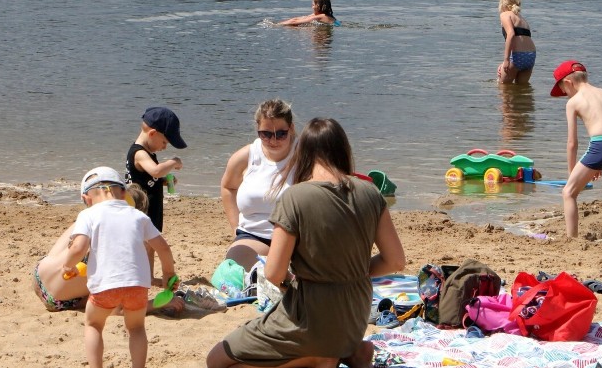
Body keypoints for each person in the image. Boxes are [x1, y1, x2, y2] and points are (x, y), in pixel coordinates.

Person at [206, 118, 406, 368]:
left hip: (310, 315)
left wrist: (288, 282)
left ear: (303, 154)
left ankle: (318, 358)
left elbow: (273, 272)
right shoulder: (370, 193)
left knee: (216, 360)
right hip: (355, 314)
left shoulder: (295, 197)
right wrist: (353, 271)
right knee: (327, 338)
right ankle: (348, 351)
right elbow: (396, 260)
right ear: (343, 150)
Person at [63, 167, 178, 368]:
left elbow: (78, 247)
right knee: (136, 328)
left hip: (105, 287)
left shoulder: (88, 214)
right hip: (137, 287)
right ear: (124, 193)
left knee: (94, 325)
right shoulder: (139, 216)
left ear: (86, 198)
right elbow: (163, 247)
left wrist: (68, 266)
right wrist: (168, 273)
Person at [32, 184, 184, 315]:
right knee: (105, 295)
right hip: (56, 301)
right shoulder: (117, 247)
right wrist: (159, 303)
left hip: (38, 276)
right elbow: (118, 311)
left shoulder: (89, 215)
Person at [551, 60, 602, 240]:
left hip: (601, 145)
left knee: (568, 192)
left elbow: (572, 142)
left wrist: (571, 174)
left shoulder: (574, 102)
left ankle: (572, 239)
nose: (564, 93)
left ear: (568, 82)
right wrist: (598, 164)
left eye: (563, 89)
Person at [220, 99, 297, 271]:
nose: (273, 140)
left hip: (296, 238)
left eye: (281, 134)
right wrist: (235, 227)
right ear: (258, 129)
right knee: (230, 274)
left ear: (291, 128)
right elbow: (228, 187)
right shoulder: (246, 155)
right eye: (266, 134)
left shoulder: (305, 154)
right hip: (254, 235)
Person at [125, 106, 185, 284]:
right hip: (141, 207)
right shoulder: (139, 153)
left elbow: (151, 176)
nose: (164, 147)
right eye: (165, 142)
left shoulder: (148, 152)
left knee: (151, 243)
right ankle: (142, 276)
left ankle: (149, 277)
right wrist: (173, 162)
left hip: (153, 204)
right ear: (152, 133)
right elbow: (156, 171)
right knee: (145, 243)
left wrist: (165, 182)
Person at [497, 0, 536, 84]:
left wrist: (506, 60)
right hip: (530, 57)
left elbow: (511, 34)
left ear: (503, 4)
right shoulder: (521, 18)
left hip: (516, 56)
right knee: (522, 90)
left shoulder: (505, 14)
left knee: (503, 88)